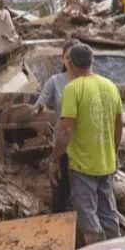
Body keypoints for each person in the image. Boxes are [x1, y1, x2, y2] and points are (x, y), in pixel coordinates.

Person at [47, 44, 125, 245]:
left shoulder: (73, 89)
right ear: (92, 62)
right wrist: (113, 153)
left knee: (87, 214)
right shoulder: (110, 86)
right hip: (106, 163)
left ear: (70, 64)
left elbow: (66, 131)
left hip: (82, 165)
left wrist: (54, 160)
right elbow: (119, 126)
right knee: (108, 213)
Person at [35, 39, 82, 213]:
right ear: (62, 59)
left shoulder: (89, 81)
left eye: (74, 57)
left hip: (84, 144)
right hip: (63, 143)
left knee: (83, 193)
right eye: (67, 57)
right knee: (61, 191)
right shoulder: (55, 81)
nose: (70, 62)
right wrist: (39, 108)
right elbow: (42, 101)